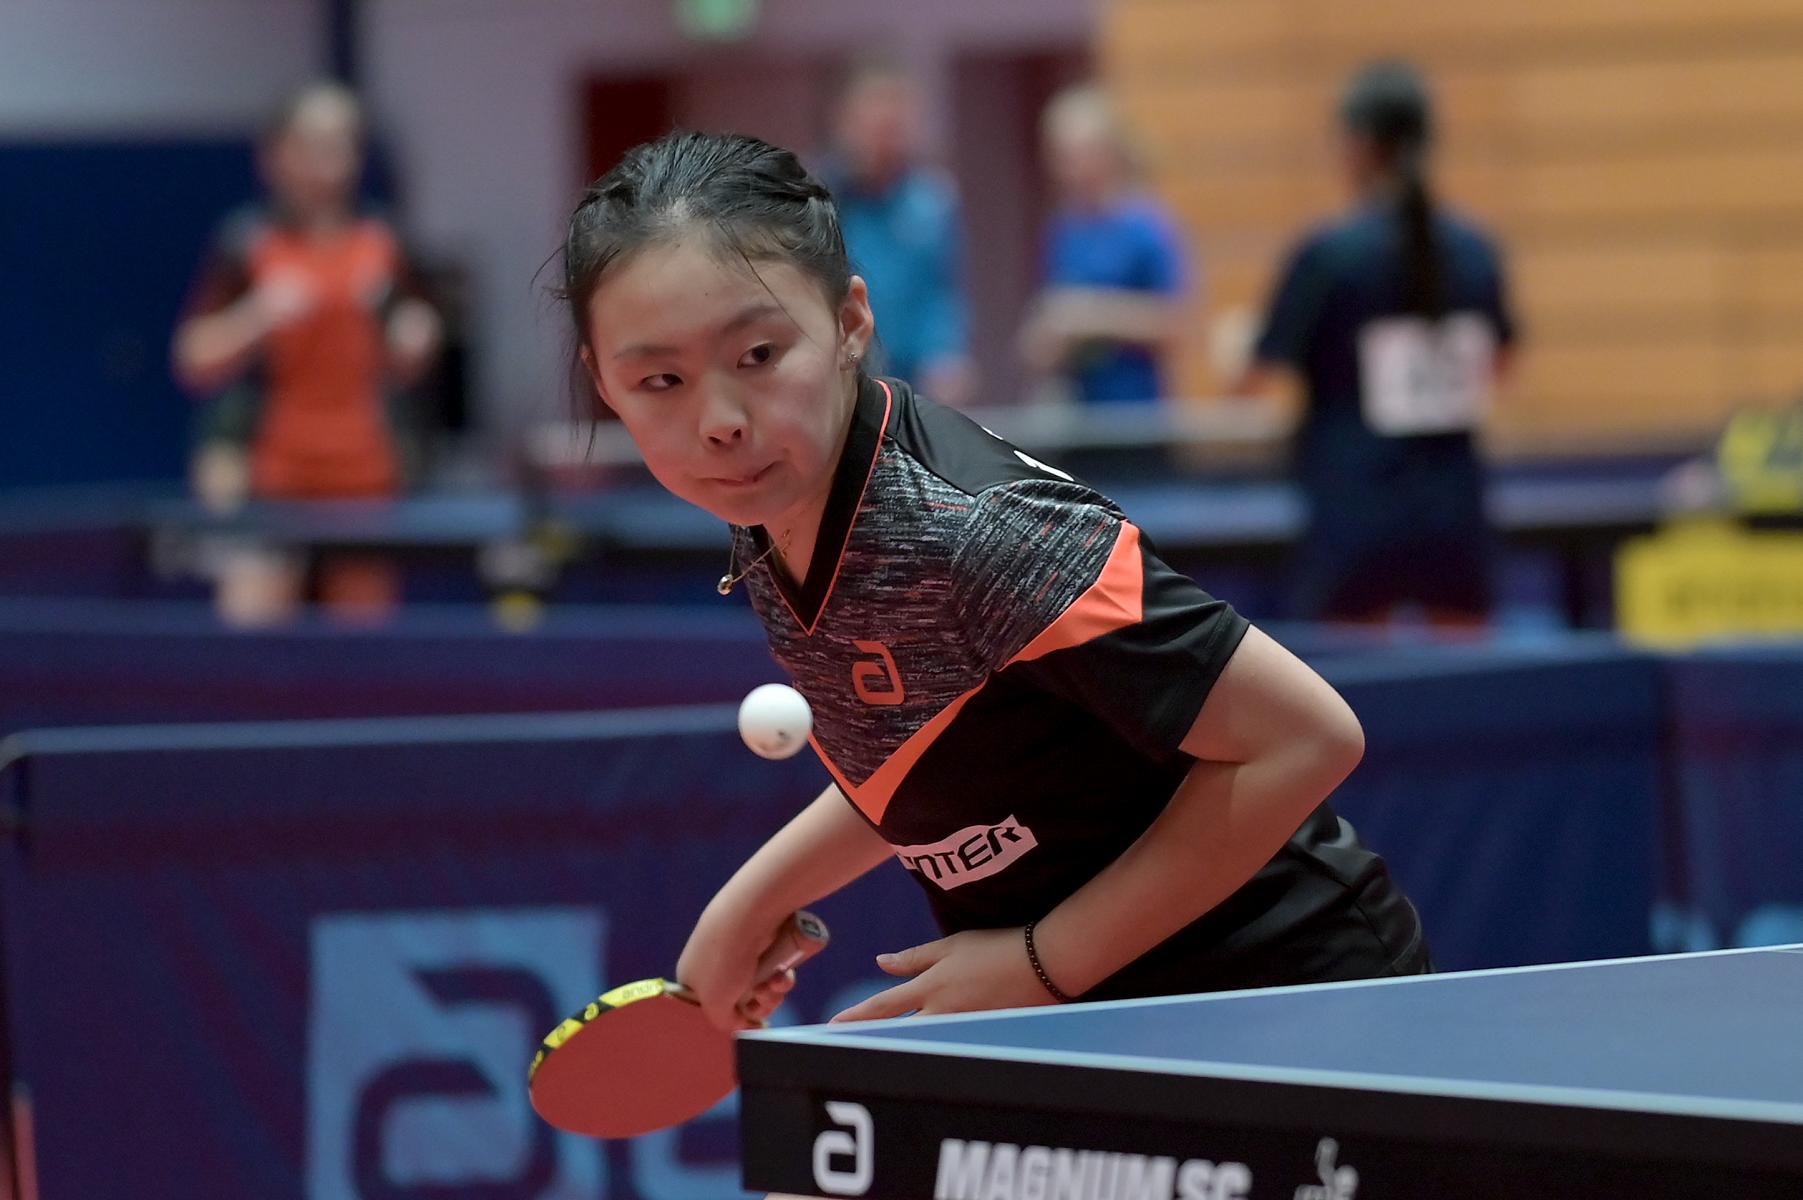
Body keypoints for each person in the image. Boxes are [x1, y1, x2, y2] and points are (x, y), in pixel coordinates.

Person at [561, 131, 1428, 1028]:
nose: (719, 420)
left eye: (757, 355)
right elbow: (923, 751)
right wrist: (746, 905)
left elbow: (1305, 738)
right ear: (604, 384)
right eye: (660, 379)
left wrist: (1040, 964)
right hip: (1106, 1024)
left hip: (1293, 997)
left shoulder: (976, 532)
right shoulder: (776, 503)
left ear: (850, 322)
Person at [1230, 61, 1517, 626]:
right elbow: (1500, 362)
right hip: (1455, 513)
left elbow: (1255, 377)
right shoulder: (1475, 252)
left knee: (1350, 677)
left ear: (1359, 144)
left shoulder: (1328, 256)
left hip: (1354, 514)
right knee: (1469, 675)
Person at [173, 81, 441, 624]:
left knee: (361, 645)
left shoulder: (383, 241)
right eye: (313, 144)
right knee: (250, 629)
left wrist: (415, 336)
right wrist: (257, 315)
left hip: (365, 475)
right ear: (275, 155)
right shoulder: (245, 242)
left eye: (342, 144)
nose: (329, 161)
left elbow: (417, 349)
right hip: (271, 476)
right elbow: (192, 361)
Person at [1019, 84, 1190, 407]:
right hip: (1080, 410)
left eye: (1075, 155)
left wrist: (1092, 317)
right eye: (1058, 156)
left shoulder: (1146, 226)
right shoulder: (1063, 228)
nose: (1066, 169)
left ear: (1107, 153)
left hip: (1136, 412)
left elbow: (1176, 323)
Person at [819, 58, 973, 407]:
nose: (884, 139)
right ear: (845, 121)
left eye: (894, 126)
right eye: (875, 124)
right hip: (841, 372)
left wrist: (947, 354)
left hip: (911, 379)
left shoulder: (932, 202)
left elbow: (941, 294)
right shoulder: (817, 200)